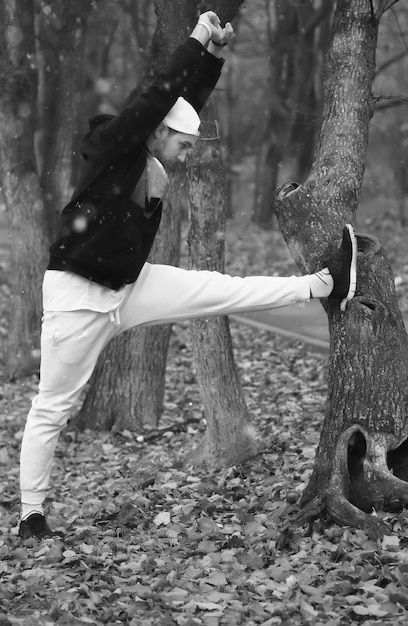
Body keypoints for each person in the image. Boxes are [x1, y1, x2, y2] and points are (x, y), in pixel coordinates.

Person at [18, 11, 357, 541]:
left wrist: (211, 62)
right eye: (182, 145)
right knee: (53, 407)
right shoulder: (117, 151)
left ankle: (322, 284)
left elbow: (181, 110)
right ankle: (30, 515)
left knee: (220, 290)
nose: (185, 155)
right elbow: (157, 100)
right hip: (77, 296)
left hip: (132, 285)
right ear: (155, 133)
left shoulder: (157, 142)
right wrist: (193, 42)